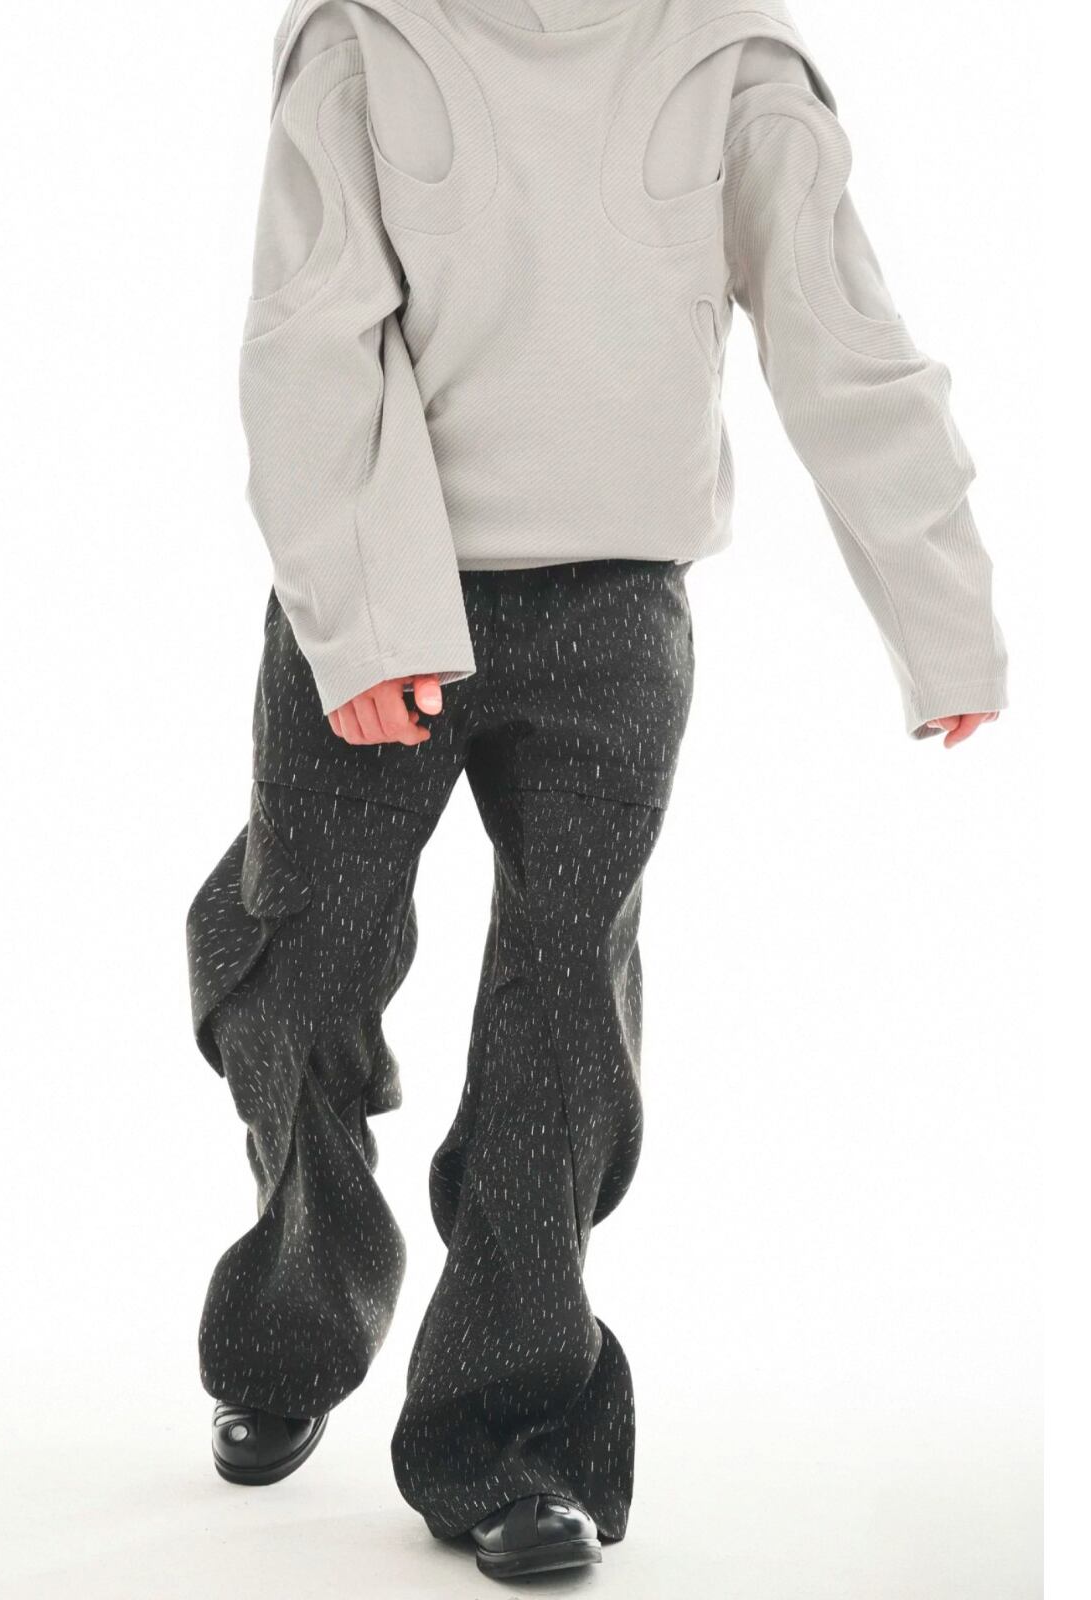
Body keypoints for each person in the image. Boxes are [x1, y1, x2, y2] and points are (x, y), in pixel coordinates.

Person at [186, 0, 1007, 1580]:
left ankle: (511, 1438)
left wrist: (943, 616)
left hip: (615, 609)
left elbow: (843, 334)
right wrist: (361, 619)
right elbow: (309, 327)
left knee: (564, 1013)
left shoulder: (729, 56)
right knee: (305, 961)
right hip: (380, 586)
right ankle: (292, 1323)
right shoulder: (363, 37)